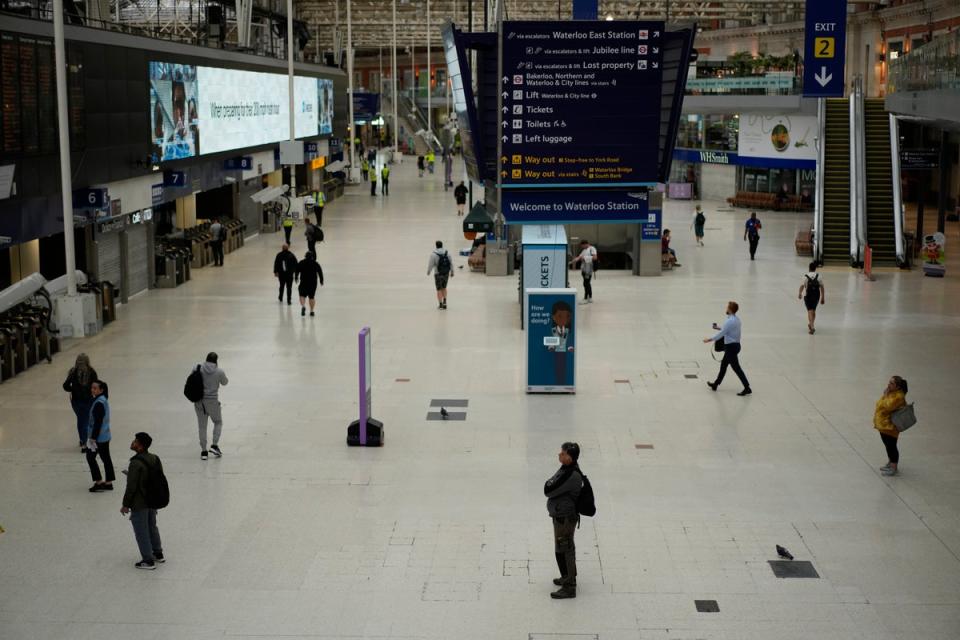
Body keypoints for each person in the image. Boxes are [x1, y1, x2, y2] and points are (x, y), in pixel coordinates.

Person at [120, 432, 165, 570]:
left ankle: (147, 560)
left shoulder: (135, 463)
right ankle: (158, 553)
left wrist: (125, 505)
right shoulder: (155, 458)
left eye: (135, 441)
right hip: (152, 500)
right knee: (152, 526)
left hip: (140, 503)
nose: (133, 443)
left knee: (141, 531)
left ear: (140, 447)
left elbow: (131, 487)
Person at [544, 442, 583, 599]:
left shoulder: (571, 474)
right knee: (561, 547)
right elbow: (550, 483)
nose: (559, 455)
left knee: (565, 547)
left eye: (563, 453)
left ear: (570, 457)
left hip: (565, 518)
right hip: (560, 516)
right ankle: (566, 576)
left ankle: (570, 586)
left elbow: (548, 489)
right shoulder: (566, 468)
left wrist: (550, 484)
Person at [703, 301, 752, 396]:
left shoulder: (729, 321)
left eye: (727, 307)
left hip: (731, 348)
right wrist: (718, 327)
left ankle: (747, 387)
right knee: (723, 365)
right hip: (736, 345)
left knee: (736, 368)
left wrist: (709, 339)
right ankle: (716, 384)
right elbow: (727, 329)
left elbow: (721, 334)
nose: (726, 309)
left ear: (730, 309)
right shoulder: (736, 319)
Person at [193, 352, 228, 461]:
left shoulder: (197, 368)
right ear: (216, 360)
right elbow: (225, 382)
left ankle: (204, 451)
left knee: (202, 427)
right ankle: (214, 445)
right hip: (213, 402)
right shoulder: (219, 371)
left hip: (199, 402)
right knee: (218, 422)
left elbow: (192, 379)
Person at [874, 376, 908, 476]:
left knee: (891, 446)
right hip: (884, 425)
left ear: (897, 387)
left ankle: (894, 467)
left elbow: (888, 406)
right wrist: (886, 395)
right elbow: (880, 404)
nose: (889, 384)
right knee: (887, 445)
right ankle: (890, 462)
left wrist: (885, 395)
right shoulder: (891, 393)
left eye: (892, 383)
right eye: (889, 382)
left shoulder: (899, 396)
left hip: (890, 427)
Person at [63, 353, 98, 452]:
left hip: (76, 401)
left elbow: (65, 385)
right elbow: (96, 385)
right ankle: (85, 443)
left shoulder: (73, 372)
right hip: (88, 401)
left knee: (81, 420)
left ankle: (83, 441)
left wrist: (73, 389)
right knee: (85, 421)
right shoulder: (92, 372)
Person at [85, 380, 115, 492]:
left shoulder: (98, 403)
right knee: (106, 458)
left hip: (98, 437)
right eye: (92, 388)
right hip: (105, 435)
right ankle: (109, 482)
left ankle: (99, 481)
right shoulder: (103, 400)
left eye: (95, 388)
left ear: (101, 390)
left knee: (90, 457)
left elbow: (97, 422)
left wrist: (93, 438)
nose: (92, 390)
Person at [798, 261, 826, 334]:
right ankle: (811, 324)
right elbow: (822, 287)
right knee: (813, 310)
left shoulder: (806, 276)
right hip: (816, 295)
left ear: (809, 268)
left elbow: (802, 286)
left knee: (810, 311)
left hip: (809, 296)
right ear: (815, 268)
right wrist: (822, 297)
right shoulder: (818, 276)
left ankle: (812, 326)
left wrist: (800, 293)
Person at [295, 251, 324, 317]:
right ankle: (312, 311)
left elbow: (297, 270)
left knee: (302, 295)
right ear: (312, 257)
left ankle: (303, 306)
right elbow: (320, 272)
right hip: (313, 282)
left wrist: (296, 277)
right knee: (311, 296)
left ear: (305, 256)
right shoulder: (315, 263)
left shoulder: (301, 262)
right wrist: (321, 280)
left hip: (304, 281)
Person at [427, 240, 453, 310]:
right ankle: (445, 302)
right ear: (442, 245)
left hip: (437, 273)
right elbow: (451, 263)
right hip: (446, 273)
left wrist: (428, 271)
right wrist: (452, 271)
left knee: (438, 289)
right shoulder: (447, 253)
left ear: (436, 245)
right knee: (444, 287)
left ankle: (440, 304)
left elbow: (431, 264)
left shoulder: (433, 254)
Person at [570, 239, 597, 304]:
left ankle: (586, 298)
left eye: (582, 246)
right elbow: (580, 257)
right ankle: (589, 297)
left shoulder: (592, 249)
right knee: (587, 283)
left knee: (586, 283)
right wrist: (574, 260)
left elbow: (595, 257)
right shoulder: (584, 250)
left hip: (588, 269)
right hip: (584, 269)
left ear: (586, 244)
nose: (582, 247)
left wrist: (584, 258)